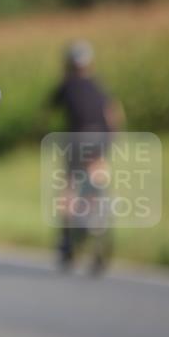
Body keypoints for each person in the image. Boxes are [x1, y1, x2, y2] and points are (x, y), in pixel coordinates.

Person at [48, 41, 124, 273]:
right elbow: (114, 113)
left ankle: (66, 239)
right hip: (101, 140)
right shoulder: (98, 85)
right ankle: (99, 218)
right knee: (97, 180)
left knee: (70, 185)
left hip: (78, 139)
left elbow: (47, 112)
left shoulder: (66, 85)